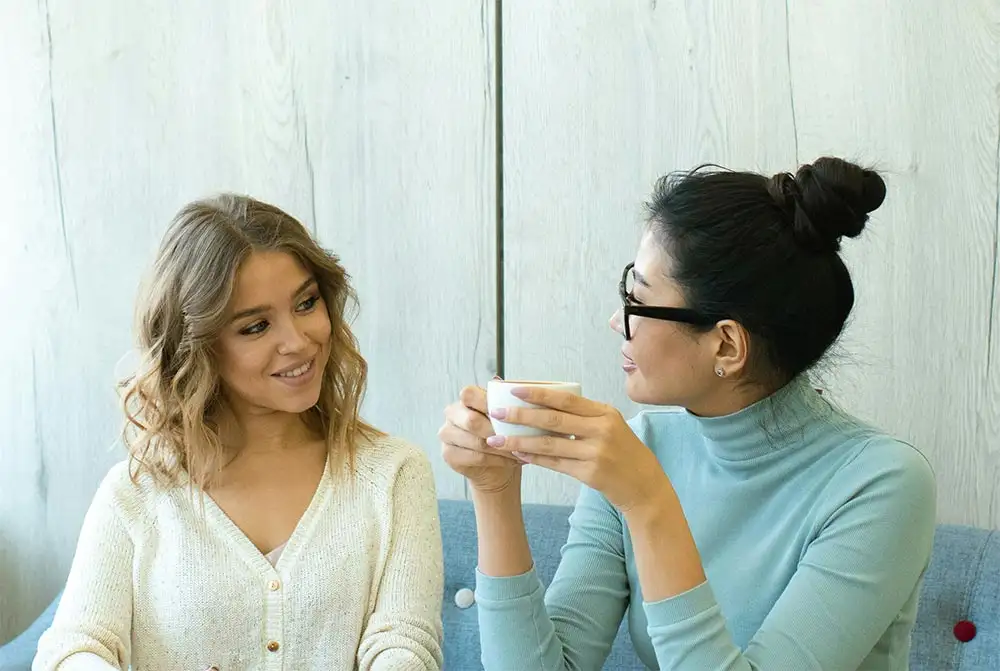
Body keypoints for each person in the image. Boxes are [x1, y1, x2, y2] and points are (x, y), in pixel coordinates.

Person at [439, 157, 937, 670]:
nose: (617, 321)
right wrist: (494, 490)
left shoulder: (882, 484)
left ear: (726, 346)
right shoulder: (643, 446)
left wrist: (649, 501)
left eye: (636, 301)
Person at [34, 195, 444, 670]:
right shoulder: (136, 495)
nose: (298, 341)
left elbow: (405, 647)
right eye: (256, 327)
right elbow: (72, 650)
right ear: (199, 347)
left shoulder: (394, 476)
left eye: (307, 303)